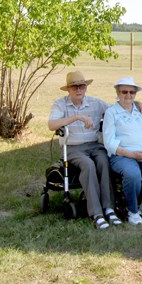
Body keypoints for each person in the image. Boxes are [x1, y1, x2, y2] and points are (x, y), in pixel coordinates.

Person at [48, 71, 121, 230]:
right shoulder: (60, 104)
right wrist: (77, 117)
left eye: (82, 86)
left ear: (86, 87)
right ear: (68, 89)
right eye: (74, 87)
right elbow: (52, 125)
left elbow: (116, 110)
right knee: (88, 164)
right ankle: (96, 213)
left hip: (94, 144)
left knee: (103, 160)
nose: (78, 89)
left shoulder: (95, 103)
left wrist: (135, 104)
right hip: (72, 147)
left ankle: (109, 208)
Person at [103, 76, 142, 225]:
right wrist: (130, 154)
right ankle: (132, 210)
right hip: (122, 154)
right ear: (118, 93)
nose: (128, 95)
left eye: (132, 92)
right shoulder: (111, 113)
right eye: (124, 92)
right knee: (132, 175)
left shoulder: (141, 110)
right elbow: (109, 142)